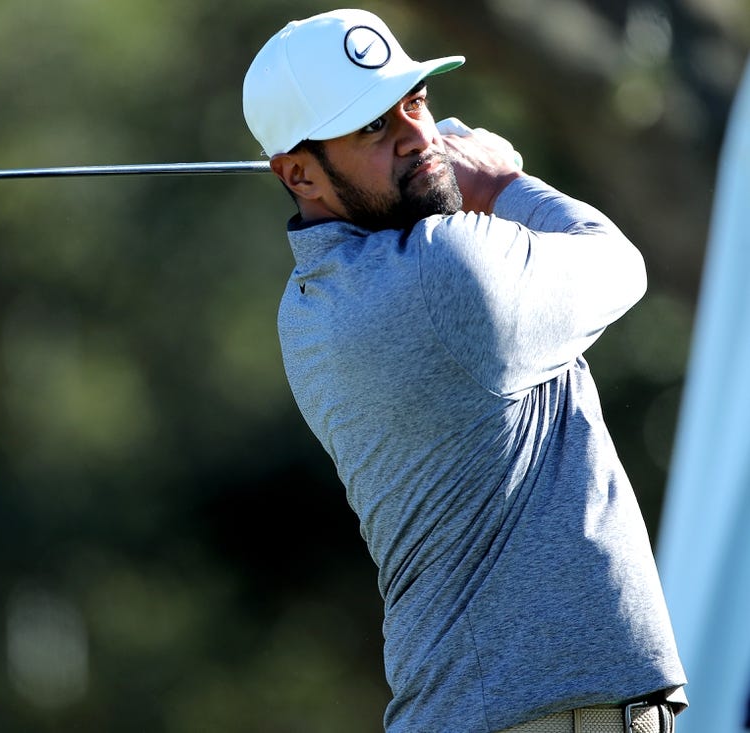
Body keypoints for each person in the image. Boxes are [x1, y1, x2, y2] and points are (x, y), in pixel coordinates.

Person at [242, 9, 687, 733]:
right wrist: (503, 183)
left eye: (413, 102)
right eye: (373, 129)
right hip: (540, 713)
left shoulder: (308, 305)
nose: (418, 136)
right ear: (299, 173)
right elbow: (618, 263)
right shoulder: (442, 273)